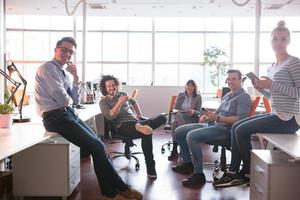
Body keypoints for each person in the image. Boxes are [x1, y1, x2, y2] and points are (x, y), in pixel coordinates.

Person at [35, 37, 143, 200]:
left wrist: (76, 77)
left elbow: (75, 100)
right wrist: (69, 98)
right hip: (55, 117)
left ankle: (111, 192)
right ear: (56, 49)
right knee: (97, 147)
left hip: (67, 113)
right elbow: (63, 99)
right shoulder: (48, 69)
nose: (67, 54)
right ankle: (121, 189)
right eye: (64, 50)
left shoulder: (63, 72)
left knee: (98, 145)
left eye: (70, 52)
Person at [213, 21, 300, 188]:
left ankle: (246, 173)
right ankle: (233, 172)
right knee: (236, 126)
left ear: (289, 41)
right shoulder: (272, 68)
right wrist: (262, 90)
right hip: (277, 113)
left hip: (290, 118)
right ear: (270, 41)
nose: (279, 43)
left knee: (241, 129)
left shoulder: (294, 62)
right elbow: (274, 97)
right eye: (275, 39)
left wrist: (272, 85)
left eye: (283, 39)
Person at [172, 69, 252, 188]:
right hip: (214, 125)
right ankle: (188, 163)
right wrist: (208, 117)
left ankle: (198, 174)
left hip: (226, 131)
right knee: (179, 132)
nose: (230, 82)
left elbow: (241, 119)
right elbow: (217, 113)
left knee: (191, 136)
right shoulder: (227, 95)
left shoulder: (244, 97)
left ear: (241, 80)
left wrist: (218, 118)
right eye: (229, 79)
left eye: (234, 79)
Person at [99, 75, 167, 179]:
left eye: (113, 85)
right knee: (146, 133)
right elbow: (110, 116)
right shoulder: (103, 101)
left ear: (116, 85)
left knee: (162, 118)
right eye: (109, 86)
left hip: (135, 121)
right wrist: (119, 103)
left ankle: (140, 125)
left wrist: (139, 115)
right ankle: (150, 166)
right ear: (105, 88)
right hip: (122, 126)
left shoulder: (123, 94)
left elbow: (134, 102)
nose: (112, 87)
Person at [167, 80, 202, 161]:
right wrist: (179, 112)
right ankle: (182, 149)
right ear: (185, 86)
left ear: (194, 87)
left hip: (191, 118)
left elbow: (199, 112)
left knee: (175, 123)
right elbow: (175, 109)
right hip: (179, 116)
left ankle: (174, 150)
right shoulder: (180, 95)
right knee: (178, 117)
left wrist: (193, 112)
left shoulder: (198, 97)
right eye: (188, 85)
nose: (189, 87)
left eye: (192, 86)